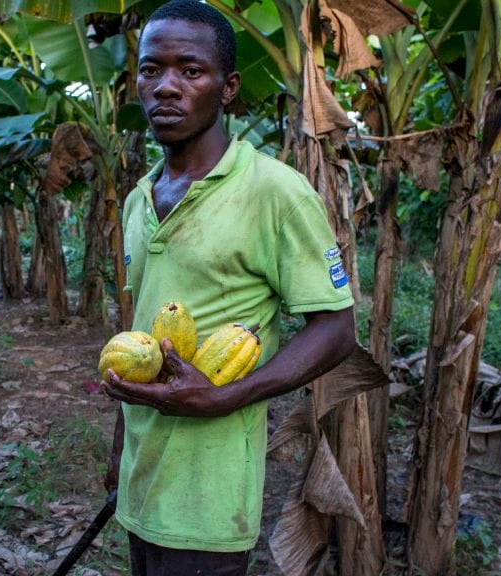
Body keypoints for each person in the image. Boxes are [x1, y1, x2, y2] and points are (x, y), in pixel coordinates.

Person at [101, 1, 357, 574]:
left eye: (190, 71)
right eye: (150, 69)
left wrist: (224, 396)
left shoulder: (274, 192)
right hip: (143, 480)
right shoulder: (140, 198)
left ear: (228, 87)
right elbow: (141, 332)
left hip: (209, 498)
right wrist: (121, 448)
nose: (166, 87)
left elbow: (337, 329)